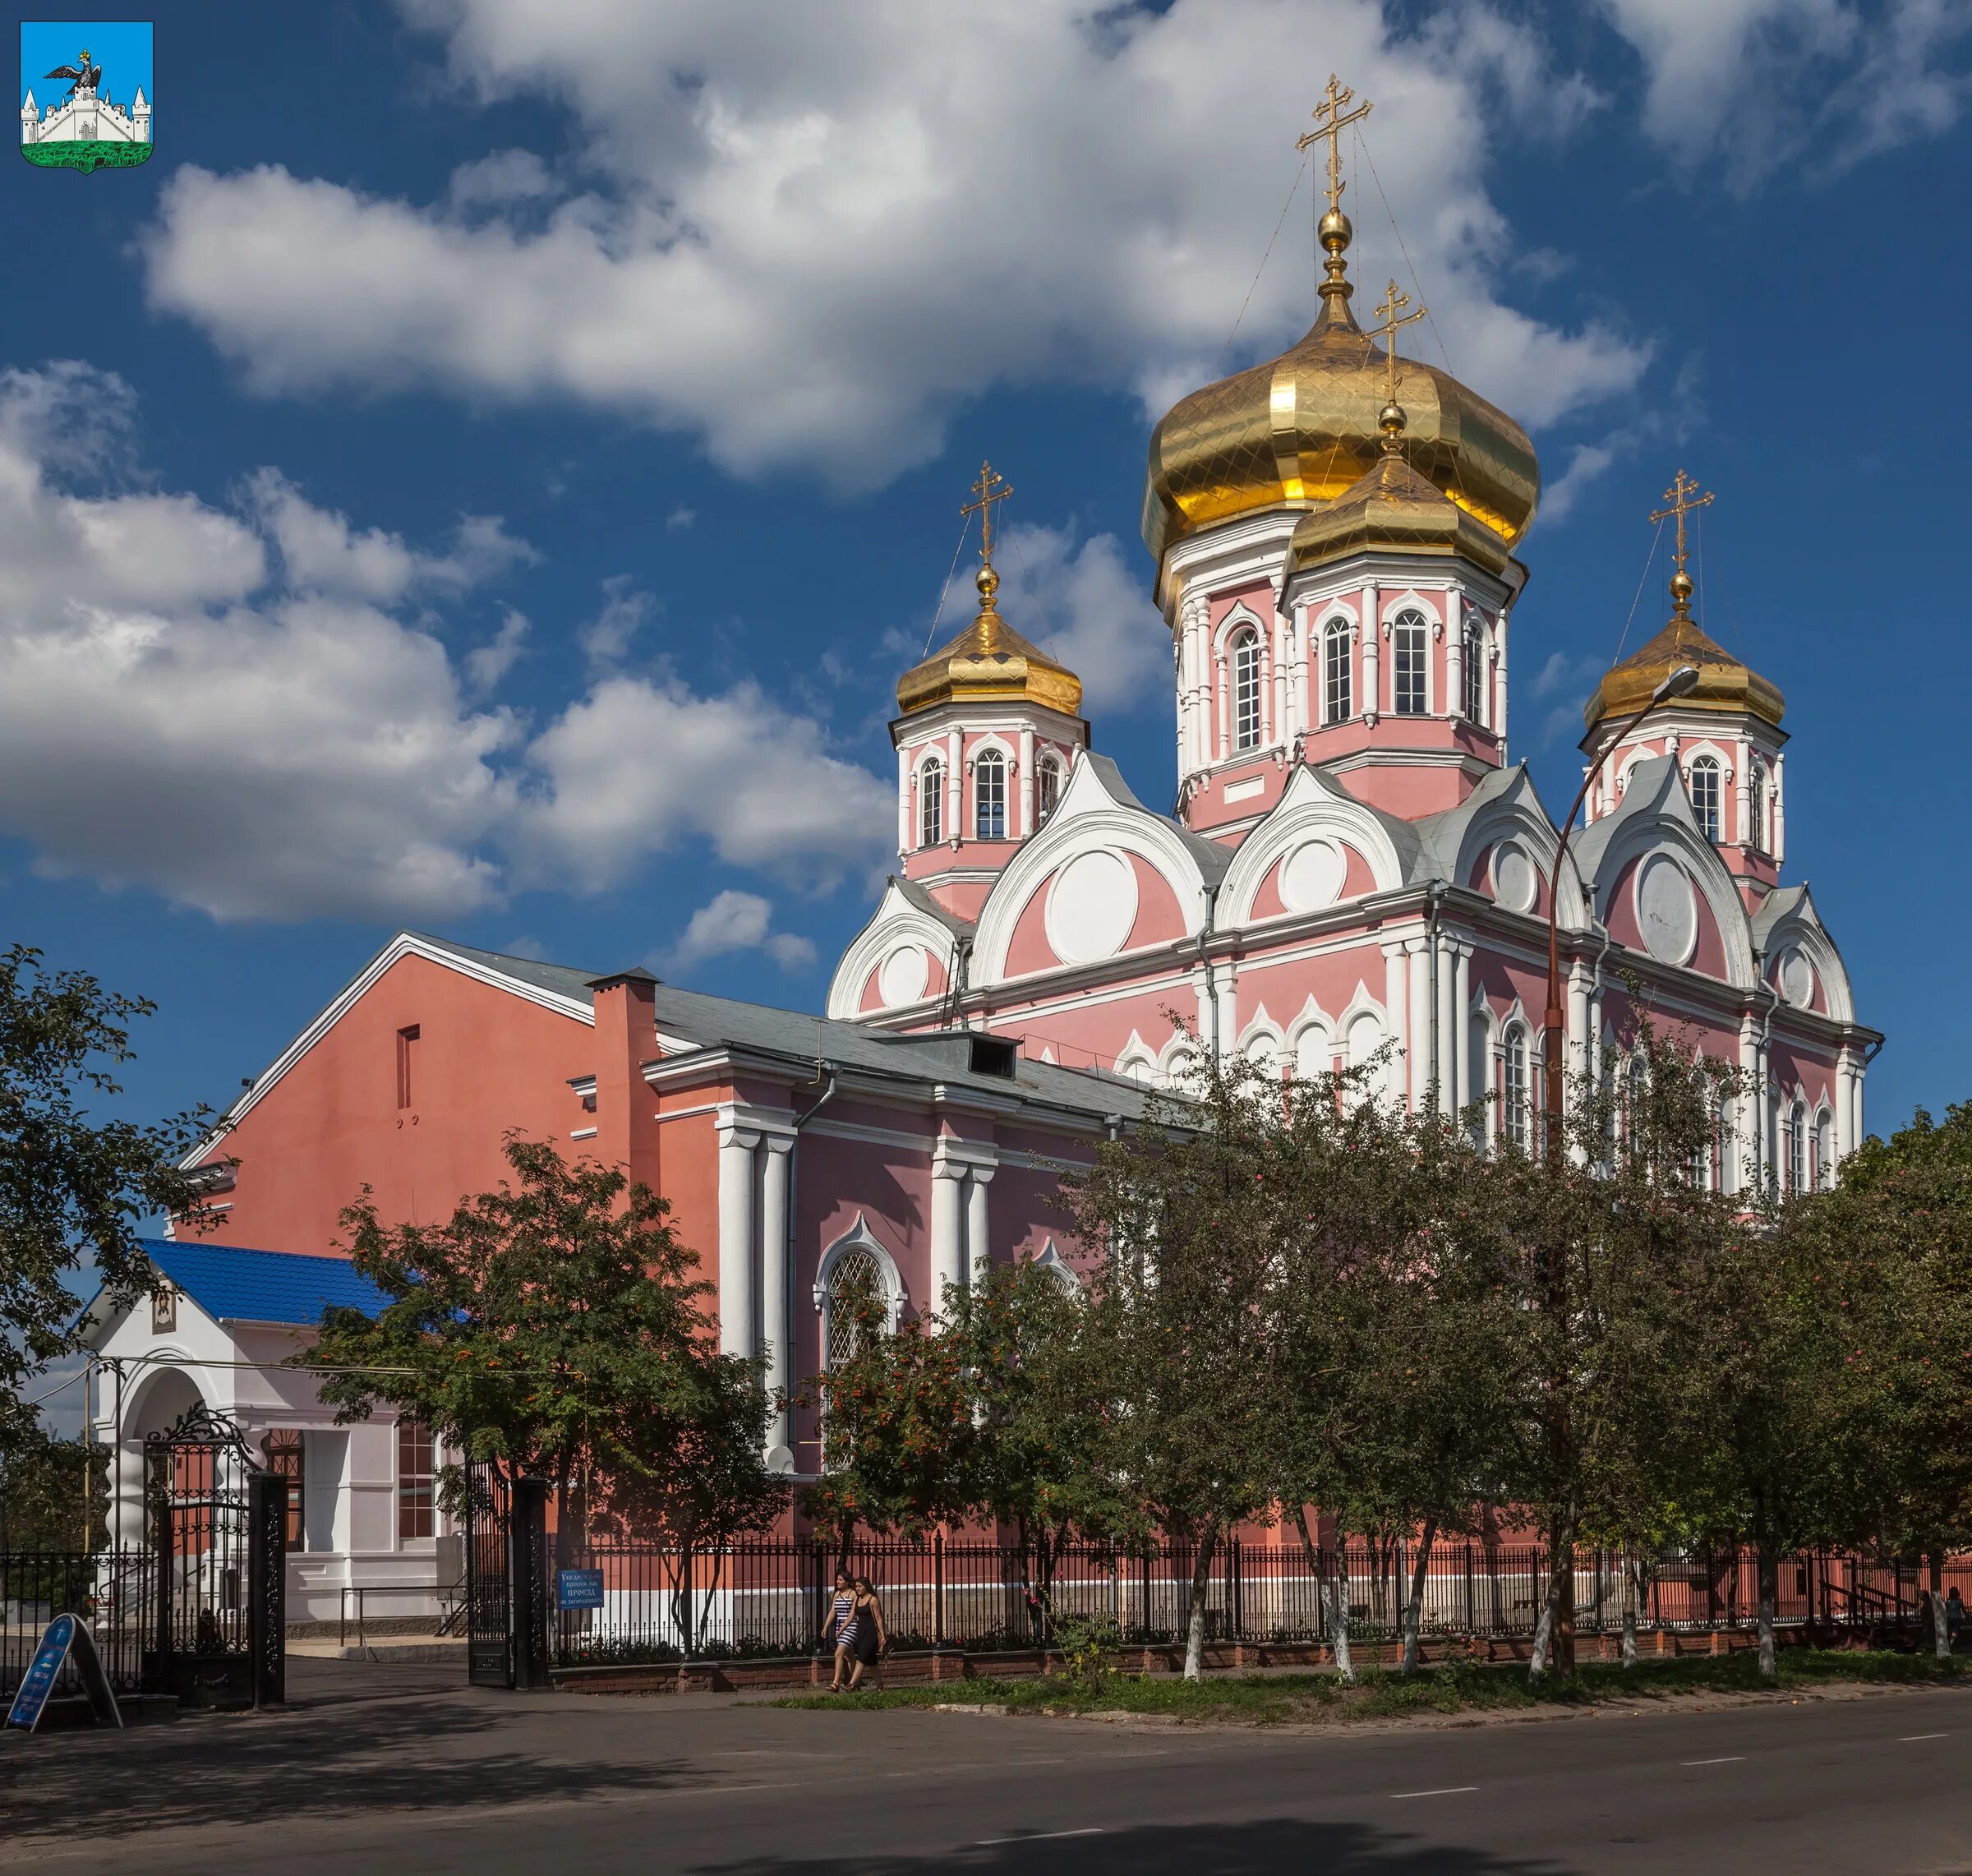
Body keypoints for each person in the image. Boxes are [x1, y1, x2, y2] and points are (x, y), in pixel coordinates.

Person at [846, 1575, 887, 1690]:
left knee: (860, 1658)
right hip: (861, 1633)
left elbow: (879, 1619)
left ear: (866, 1586)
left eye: (860, 1586)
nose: (857, 1589)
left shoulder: (873, 1599)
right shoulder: (857, 1599)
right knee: (872, 1662)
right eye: (856, 1587)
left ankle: (852, 1685)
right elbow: (851, 1615)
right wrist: (842, 1629)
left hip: (871, 1634)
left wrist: (883, 1635)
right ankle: (880, 1685)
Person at [822, 1569, 856, 1692]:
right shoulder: (837, 1594)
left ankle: (835, 1683)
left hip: (850, 1627)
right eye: (837, 1579)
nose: (837, 1582)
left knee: (838, 1654)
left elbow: (852, 1614)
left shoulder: (853, 1594)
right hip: (839, 1628)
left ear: (847, 1581)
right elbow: (833, 1611)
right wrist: (826, 1626)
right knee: (850, 1656)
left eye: (840, 1580)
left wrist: (842, 1629)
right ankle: (855, 1682)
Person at [1947, 1586, 1965, 1651]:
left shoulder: (1948, 1601)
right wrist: (1966, 1616)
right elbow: (1963, 1610)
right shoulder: (1960, 1601)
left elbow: (1946, 1610)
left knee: (1950, 1632)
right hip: (1957, 1618)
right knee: (1955, 1632)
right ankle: (1951, 1645)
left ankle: (1951, 1645)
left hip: (1949, 1617)